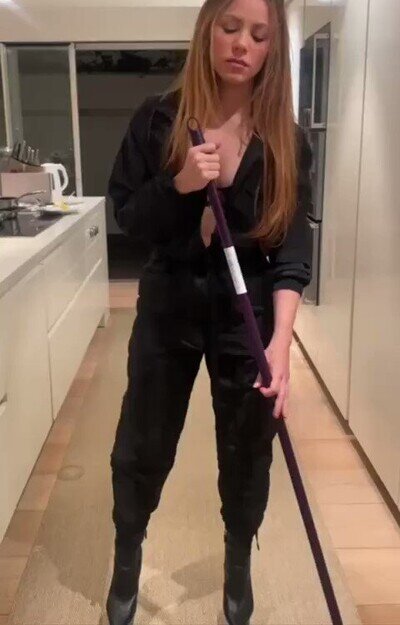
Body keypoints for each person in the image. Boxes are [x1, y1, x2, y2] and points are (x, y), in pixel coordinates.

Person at [106, 0, 313, 623]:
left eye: (259, 35)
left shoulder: (285, 140)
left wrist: (280, 343)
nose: (242, 44)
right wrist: (180, 186)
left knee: (249, 446)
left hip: (247, 313)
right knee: (143, 439)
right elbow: (129, 217)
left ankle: (238, 558)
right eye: (230, 27)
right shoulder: (158, 120)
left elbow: (292, 249)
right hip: (169, 303)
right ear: (207, 31)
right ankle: (127, 551)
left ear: (271, 49)